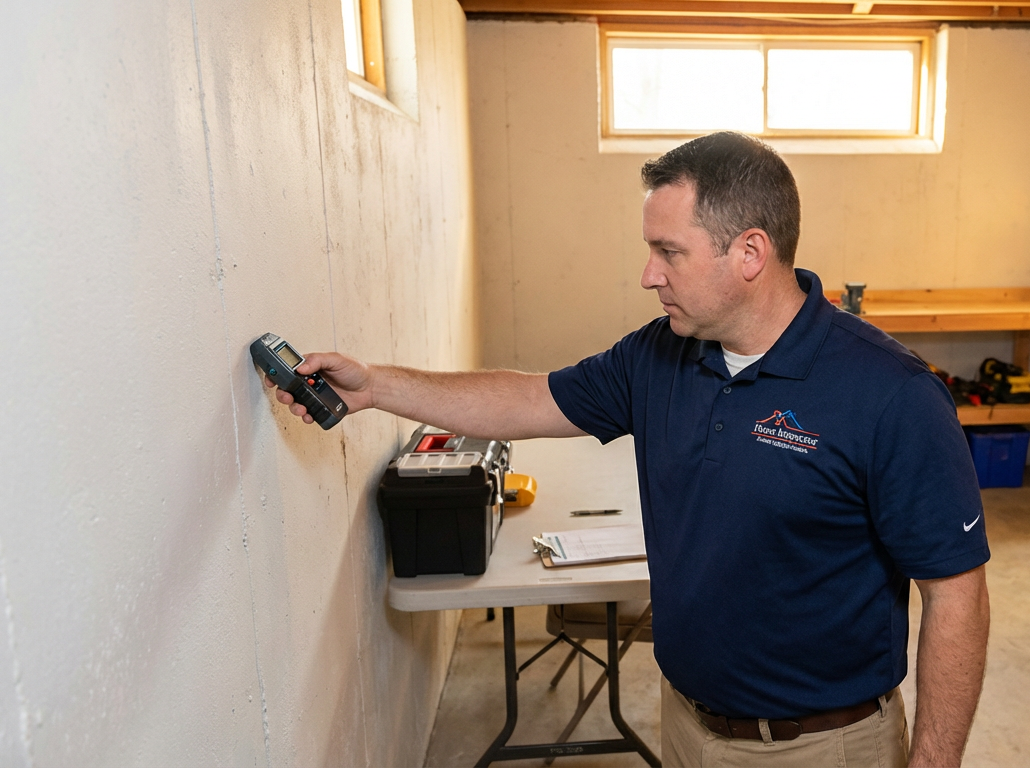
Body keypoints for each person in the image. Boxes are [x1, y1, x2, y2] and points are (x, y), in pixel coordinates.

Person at [268, 131, 990, 768]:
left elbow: (955, 593)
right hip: (686, 726)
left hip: (823, 749)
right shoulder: (660, 356)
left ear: (749, 253)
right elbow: (525, 399)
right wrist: (376, 387)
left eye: (668, 251)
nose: (649, 274)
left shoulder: (891, 394)